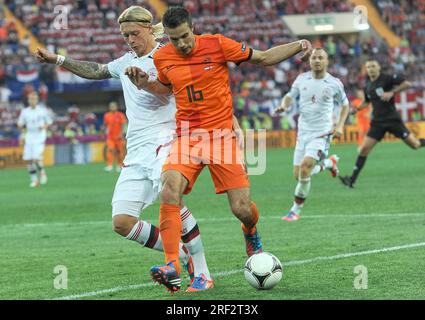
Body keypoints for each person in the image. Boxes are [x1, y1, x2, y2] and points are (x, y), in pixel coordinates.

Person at [125, 6, 312, 292]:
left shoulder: (217, 44)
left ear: (192, 28)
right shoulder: (163, 57)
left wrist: (298, 45)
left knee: (242, 209)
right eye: (175, 39)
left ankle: (250, 231)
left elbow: (262, 57)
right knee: (168, 189)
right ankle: (172, 264)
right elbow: (165, 88)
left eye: (186, 36)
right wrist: (145, 84)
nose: (182, 44)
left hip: (221, 137)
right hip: (187, 137)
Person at [35, 5, 212, 292]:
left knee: (171, 197)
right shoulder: (125, 61)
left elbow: (176, 90)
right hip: (137, 150)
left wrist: (147, 83)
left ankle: (202, 271)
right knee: (122, 222)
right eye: (125, 35)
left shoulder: (168, 55)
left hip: (167, 139)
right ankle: (182, 255)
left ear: (148, 27)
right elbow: (96, 70)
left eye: (133, 33)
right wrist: (58, 59)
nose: (129, 39)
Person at [275, 48, 349, 221]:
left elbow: (345, 105)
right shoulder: (302, 79)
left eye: (320, 58)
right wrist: (284, 106)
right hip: (303, 133)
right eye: (314, 57)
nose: (317, 60)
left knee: (305, 167)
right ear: (309, 61)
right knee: (299, 175)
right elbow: (289, 96)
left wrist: (340, 126)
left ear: (326, 61)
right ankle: (329, 164)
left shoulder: (334, 83)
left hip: (322, 133)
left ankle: (295, 210)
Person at [339, 59, 425, 188]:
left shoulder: (387, 78)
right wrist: (357, 109)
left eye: (373, 66)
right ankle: (351, 180)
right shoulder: (367, 84)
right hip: (377, 123)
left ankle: (351, 180)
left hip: (392, 120)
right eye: (368, 67)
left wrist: (392, 92)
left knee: (415, 144)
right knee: (363, 150)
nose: (371, 69)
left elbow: (407, 83)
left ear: (379, 67)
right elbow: (367, 101)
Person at [17, 91, 52, 187]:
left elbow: (49, 122)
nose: (32, 100)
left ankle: (42, 173)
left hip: (39, 136)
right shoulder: (25, 111)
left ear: (37, 100)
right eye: (31, 99)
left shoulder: (42, 110)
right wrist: (21, 129)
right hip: (29, 135)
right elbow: (20, 123)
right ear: (28, 100)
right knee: (29, 159)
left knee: (35, 158)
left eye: (34, 99)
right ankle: (34, 180)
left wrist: (43, 127)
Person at [103, 101, 127, 172]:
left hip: (119, 137)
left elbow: (123, 125)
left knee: (120, 152)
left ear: (116, 107)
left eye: (113, 106)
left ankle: (119, 165)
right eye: (111, 106)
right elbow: (105, 125)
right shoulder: (107, 115)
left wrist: (121, 133)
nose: (112, 107)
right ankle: (109, 165)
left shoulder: (120, 115)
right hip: (110, 137)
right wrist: (104, 131)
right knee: (110, 150)